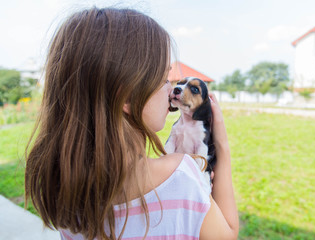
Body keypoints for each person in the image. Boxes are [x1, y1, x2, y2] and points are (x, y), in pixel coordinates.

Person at [25, 7, 239, 240]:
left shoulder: (66, 188)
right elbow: (228, 233)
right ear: (127, 96)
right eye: (165, 78)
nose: (171, 89)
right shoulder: (181, 177)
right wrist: (223, 148)